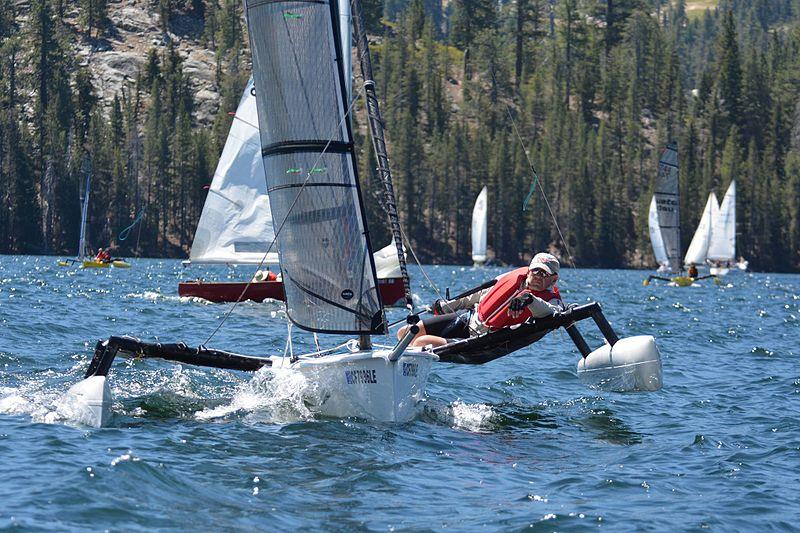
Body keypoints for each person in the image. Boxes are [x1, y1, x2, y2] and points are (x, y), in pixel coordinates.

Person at [399, 252, 565, 349]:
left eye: (543, 274)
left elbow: (551, 313)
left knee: (421, 342)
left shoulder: (552, 300)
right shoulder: (512, 278)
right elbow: (479, 295)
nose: (537, 276)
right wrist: (447, 306)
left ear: (554, 279)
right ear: (528, 270)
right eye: (535, 271)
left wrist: (528, 299)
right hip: (468, 318)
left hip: (482, 338)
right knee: (405, 332)